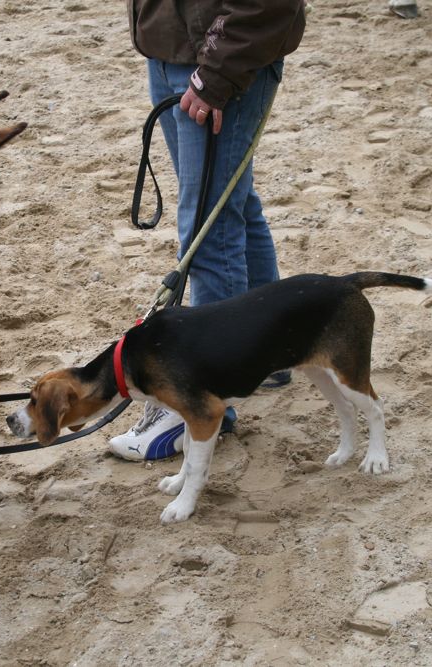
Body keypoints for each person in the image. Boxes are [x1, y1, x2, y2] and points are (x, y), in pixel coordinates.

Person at [108, 0, 307, 461]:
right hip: (173, 48)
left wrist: (217, 71)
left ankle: (209, 398)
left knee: (208, 229)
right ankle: (273, 354)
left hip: (216, 59)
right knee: (231, 205)